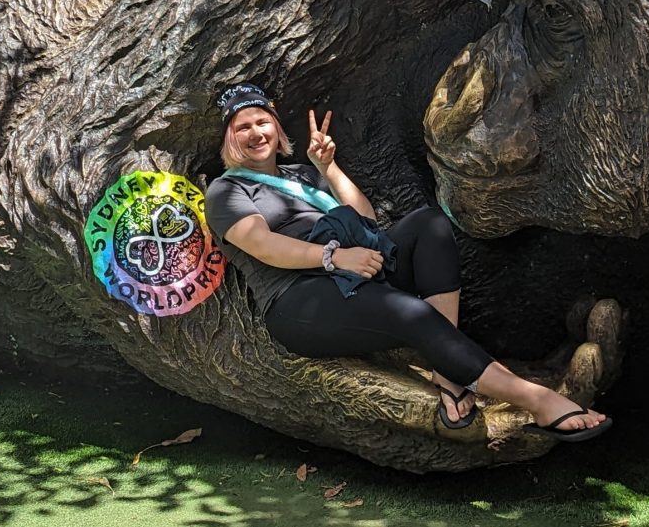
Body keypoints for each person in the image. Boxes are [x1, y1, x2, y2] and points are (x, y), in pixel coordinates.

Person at [205, 83, 611, 440]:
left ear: (276, 129)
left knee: (429, 224)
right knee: (411, 313)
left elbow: (365, 220)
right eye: (243, 127)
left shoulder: (302, 176)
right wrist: (335, 257)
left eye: (262, 122)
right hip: (299, 302)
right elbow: (264, 246)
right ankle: (536, 400)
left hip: (356, 272)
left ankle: (449, 369)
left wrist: (328, 169)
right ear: (228, 139)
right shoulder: (227, 190)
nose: (256, 133)